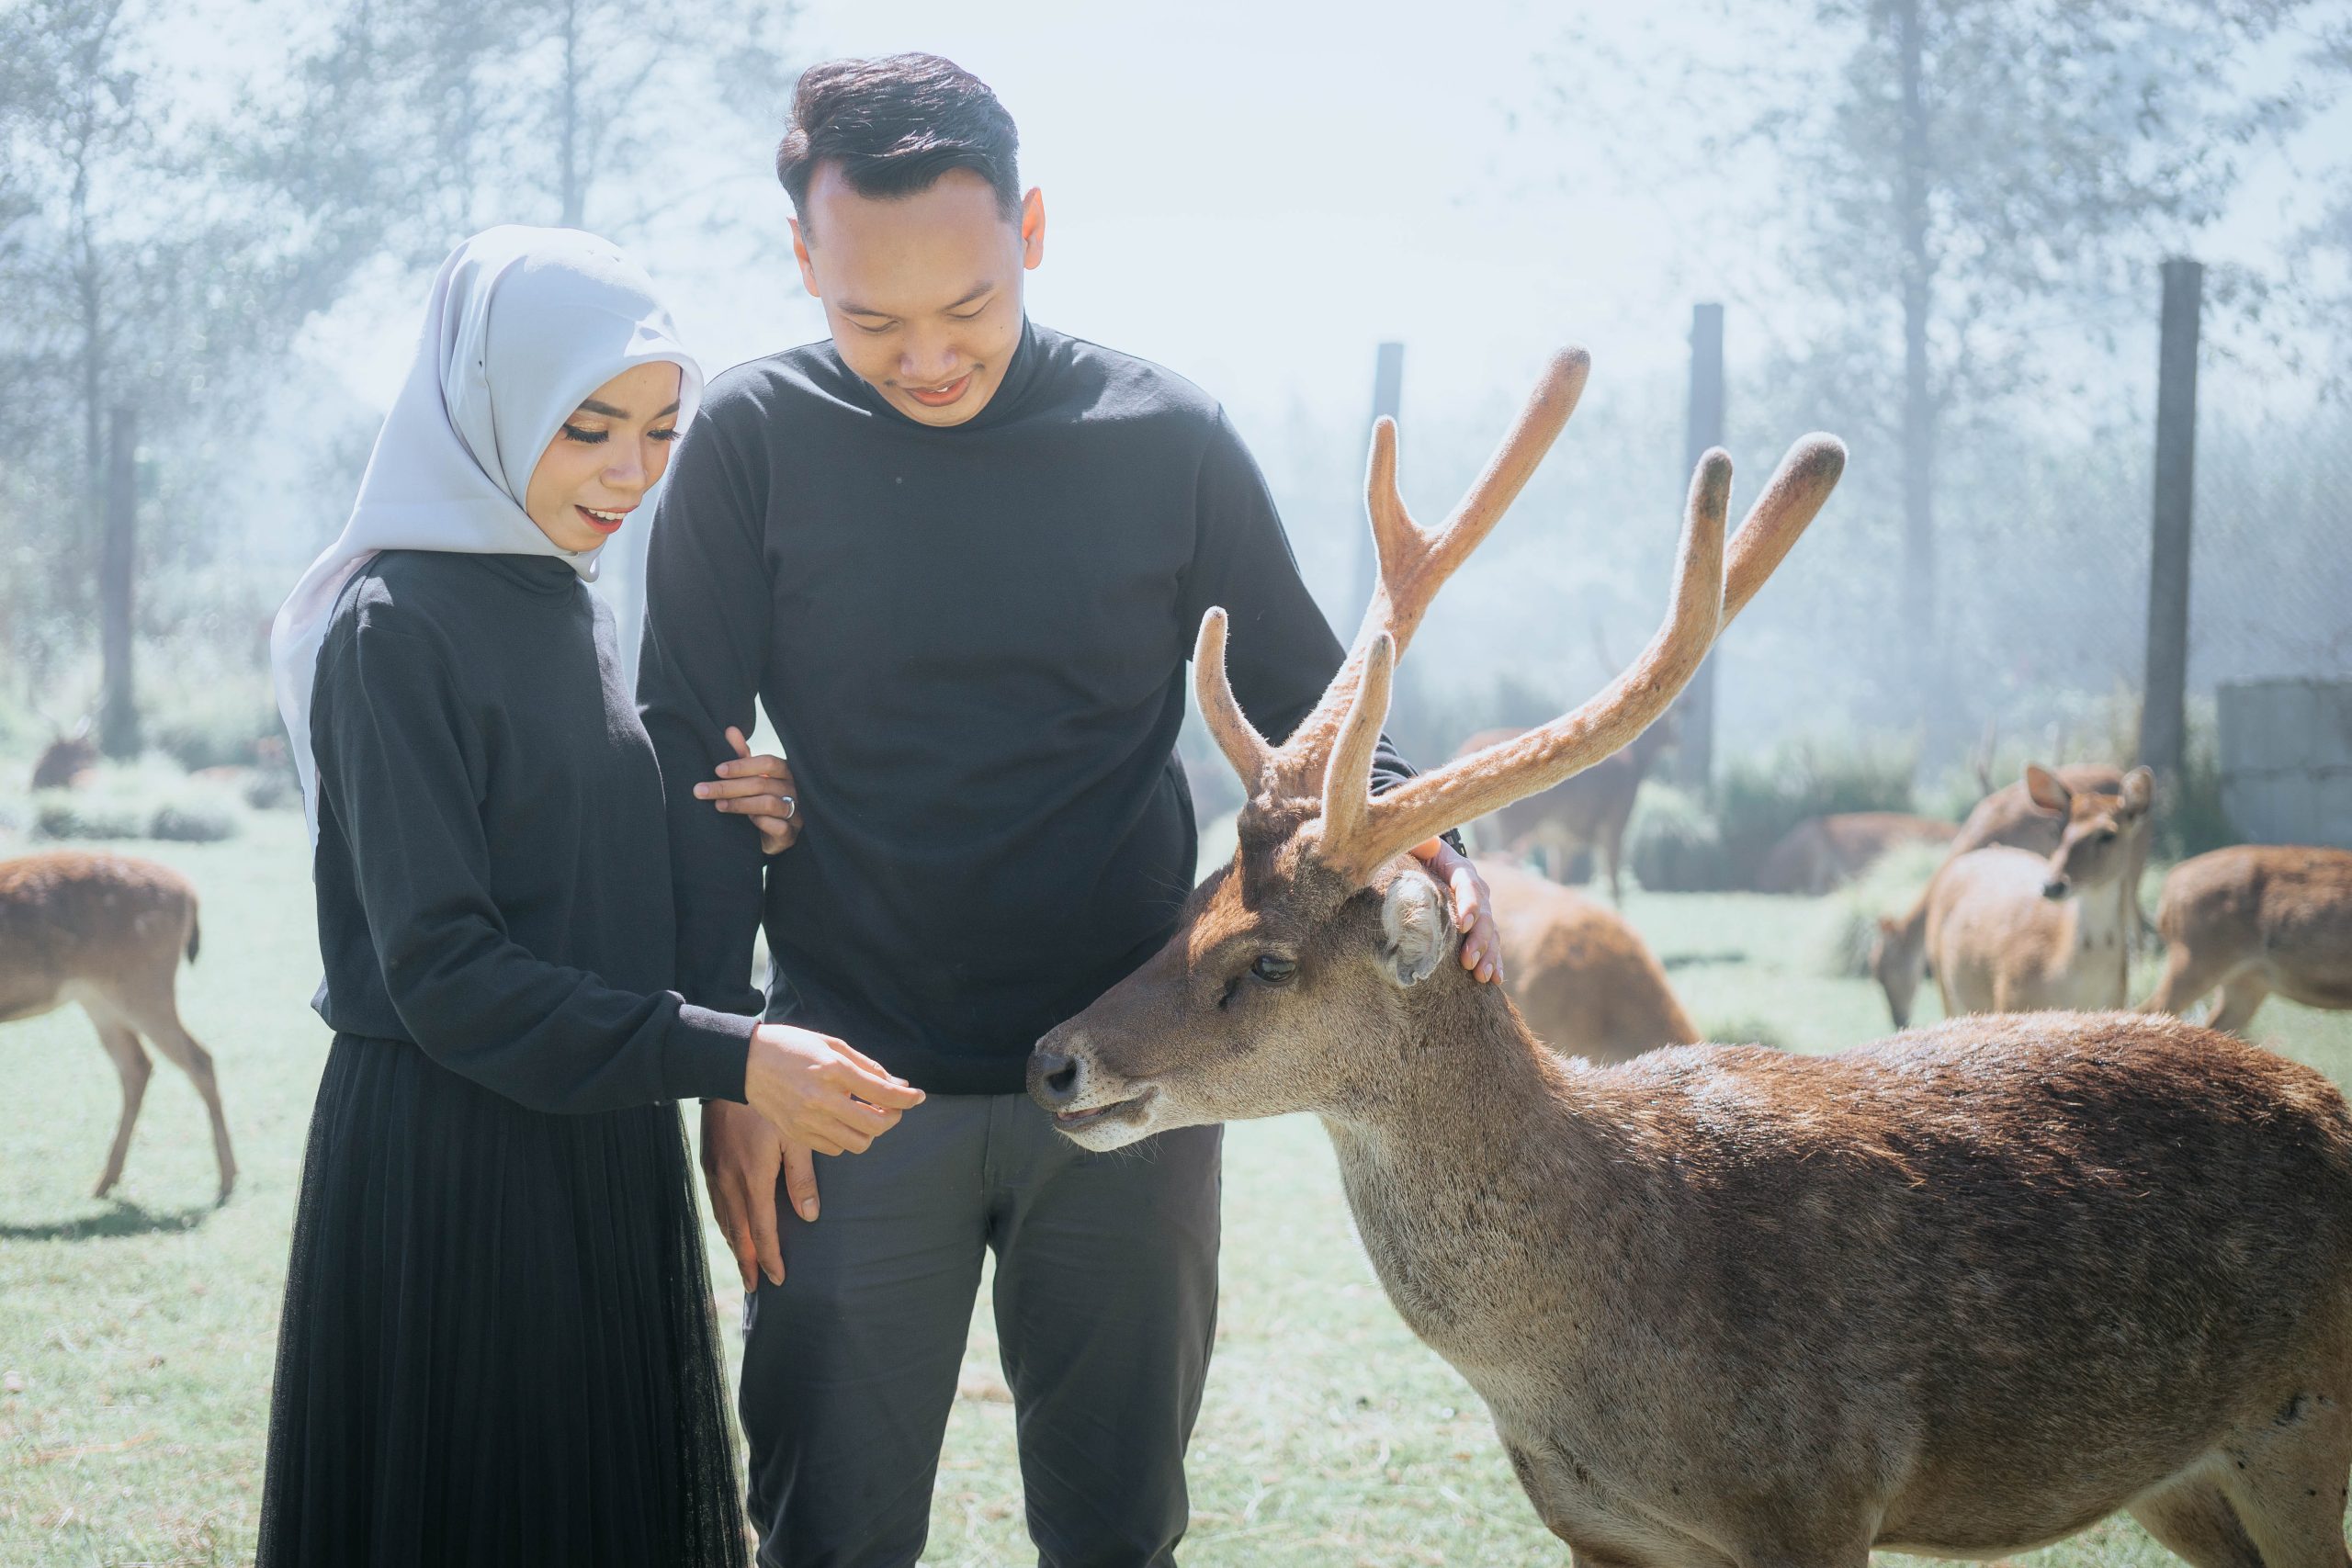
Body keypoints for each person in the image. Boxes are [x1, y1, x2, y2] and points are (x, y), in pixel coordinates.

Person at [638, 57, 1503, 1567]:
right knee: (827, 1540)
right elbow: (690, 762)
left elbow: (1320, 719)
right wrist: (729, 1064)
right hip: (838, 1086)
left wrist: (1434, 842)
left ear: (1030, 229)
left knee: (1117, 1538)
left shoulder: (1167, 438)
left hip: (1140, 1077)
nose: (925, 359)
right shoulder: (749, 440)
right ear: (803, 260)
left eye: (966, 308)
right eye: (871, 320)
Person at [256, 225, 923, 1568]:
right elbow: (447, 972)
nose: (632, 473)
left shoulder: (569, 604)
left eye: (662, 432)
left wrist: (747, 823)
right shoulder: (393, 626)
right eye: (590, 430)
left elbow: (577, 892)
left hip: (592, 1143)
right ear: (489, 404)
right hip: (453, 1168)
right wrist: (736, 1057)